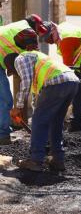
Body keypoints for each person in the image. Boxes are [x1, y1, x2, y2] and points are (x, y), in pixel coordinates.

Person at [5, 51, 79, 172]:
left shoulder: (20, 59)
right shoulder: (36, 61)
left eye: (13, 72)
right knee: (56, 122)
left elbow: (26, 83)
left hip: (56, 82)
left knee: (39, 121)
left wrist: (17, 107)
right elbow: (37, 99)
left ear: (11, 65)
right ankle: (58, 160)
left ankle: (35, 160)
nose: (16, 74)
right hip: (72, 82)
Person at [40, 21, 81, 132]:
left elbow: (67, 69)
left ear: (53, 30)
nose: (48, 42)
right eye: (45, 40)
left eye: (49, 38)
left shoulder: (66, 39)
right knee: (77, 93)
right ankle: (76, 126)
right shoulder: (61, 31)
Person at [0, 16, 47, 145]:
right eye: (38, 30)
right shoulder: (27, 33)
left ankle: (3, 130)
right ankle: (2, 135)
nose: (37, 34)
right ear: (33, 25)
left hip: (1, 60)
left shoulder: (19, 30)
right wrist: (20, 106)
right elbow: (32, 67)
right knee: (5, 99)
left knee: (3, 98)